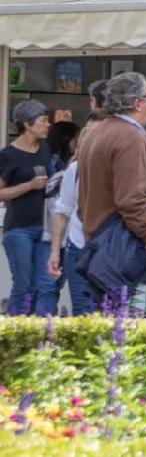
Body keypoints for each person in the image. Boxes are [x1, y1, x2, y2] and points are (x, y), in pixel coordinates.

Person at [75, 73, 146, 317]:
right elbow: (131, 200)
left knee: (118, 328)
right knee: (143, 332)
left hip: (107, 241)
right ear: (136, 103)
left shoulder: (97, 132)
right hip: (128, 247)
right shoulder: (130, 136)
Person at [48, 112, 105, 315]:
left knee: (109, 313)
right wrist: (55, 251)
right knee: (82, 313)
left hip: (110, 251)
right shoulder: (75, 169)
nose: (90, 138)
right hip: (78, 248)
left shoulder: (119, 168)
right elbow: (62, 211)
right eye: (86, 133)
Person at [1, 99, 54, 315]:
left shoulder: (46, 149)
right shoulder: (8, 155)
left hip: (45, 227)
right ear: (27, 124)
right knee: (23, 284)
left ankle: (41, 333)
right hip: (19, 228)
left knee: (45, 284)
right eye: (43, 121)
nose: (48, 125)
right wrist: (29, 185)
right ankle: (15, 333)